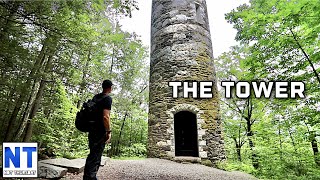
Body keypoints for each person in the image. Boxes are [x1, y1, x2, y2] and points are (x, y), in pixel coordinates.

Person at [83, 80, 113, 180]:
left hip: (91, 130)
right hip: (100, 131)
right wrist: (108, 132)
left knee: (93, 153)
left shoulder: (96, 97)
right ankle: (90, 177)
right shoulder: (107, 99)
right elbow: (106, 117)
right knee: (95, 155)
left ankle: (90, 176)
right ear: (110, 87)